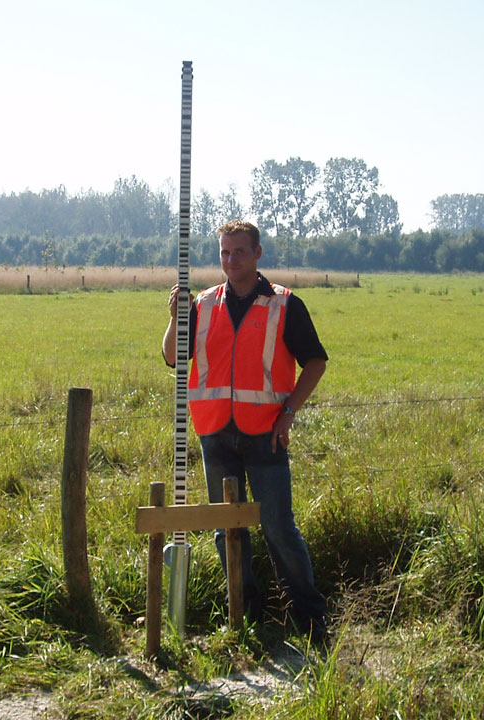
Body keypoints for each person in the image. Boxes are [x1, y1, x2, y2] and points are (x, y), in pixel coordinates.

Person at [162, 219, 329, 642]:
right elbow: (171, 358)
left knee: (277, 526)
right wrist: (173, 318)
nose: (230, 260)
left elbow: (315, 361)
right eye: (224, 252)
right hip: (214, 433)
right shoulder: (202, 303)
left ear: (257, 254)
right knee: (226, 529)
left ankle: (309, 619)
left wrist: (288, 412)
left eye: (239, 251)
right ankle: (247, 615)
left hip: (264, 433)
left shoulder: (284, 304)